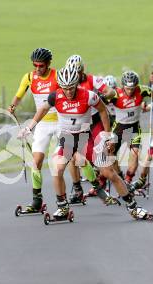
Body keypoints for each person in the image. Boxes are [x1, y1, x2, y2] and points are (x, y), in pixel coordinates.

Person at [19, 66, 153, 220]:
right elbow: (43, 109)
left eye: (71, 88)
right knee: (57, 169)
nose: (69, 92)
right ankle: (63, 207)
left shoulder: (88, 95)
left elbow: (103, 111)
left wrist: (107, 135)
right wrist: (29, 127)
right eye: (65, 88)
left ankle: (133, 207)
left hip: (86, 138)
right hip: (68, 138)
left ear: (76, 84)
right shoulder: (55, 96)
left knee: (108, 173)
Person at [8, 48, 58, 213]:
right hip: (42, 124)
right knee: (35, 163)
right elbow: (19, 94)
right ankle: (37, 200)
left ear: (48, 64)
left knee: (70, 160)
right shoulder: (29, 77)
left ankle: (92, 185)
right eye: (35, 65)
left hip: (60, 122)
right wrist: (13, 106)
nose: (37, 69)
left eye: (41, 66)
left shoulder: (57, 76)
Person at [63, 55, 117, 202]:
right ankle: (77, 188)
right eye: (72, 72)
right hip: (78, 122)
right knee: (71, 155)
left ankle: (109, 178)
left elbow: (110, 91)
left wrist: (104, 94)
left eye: (78, 72)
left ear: (83, 70)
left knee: (102, 151)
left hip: (94, 120)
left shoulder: (91, 80)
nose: (75, 75)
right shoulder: (67, 82)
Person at [109, 71, 152, 185]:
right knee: (110, 155)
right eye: (127, 88)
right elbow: (100, 102)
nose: (130, 91)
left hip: (134, 128)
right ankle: (119, 177)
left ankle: (128, 180)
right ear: (123, 85)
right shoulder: (116, 94)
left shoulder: (141, 90)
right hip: (118, 128)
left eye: (132, 88)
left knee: (135, 153)